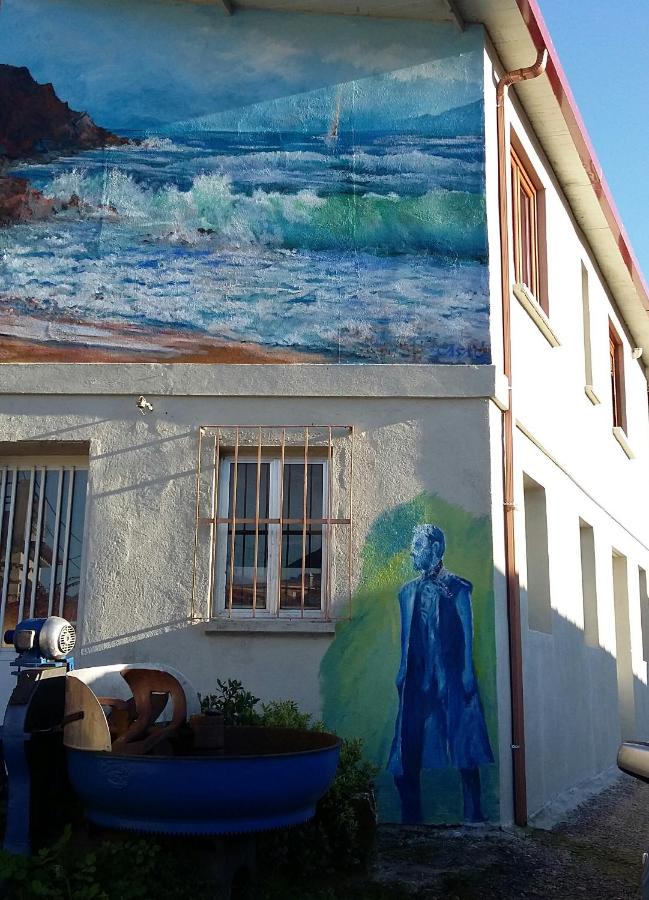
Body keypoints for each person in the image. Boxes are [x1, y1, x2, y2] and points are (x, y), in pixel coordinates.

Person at [388, 524, 493, 824]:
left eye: (418, 545)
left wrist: (468, 671)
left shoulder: (457, 588)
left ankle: (474, 813)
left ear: (435, 548)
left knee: (464, 743)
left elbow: (467, 631)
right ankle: (411, 816)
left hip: (451, 677)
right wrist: (402, 671)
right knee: (406, 746)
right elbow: (406, 638)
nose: (412, 551)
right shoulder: (408, 592)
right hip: (418, 679)